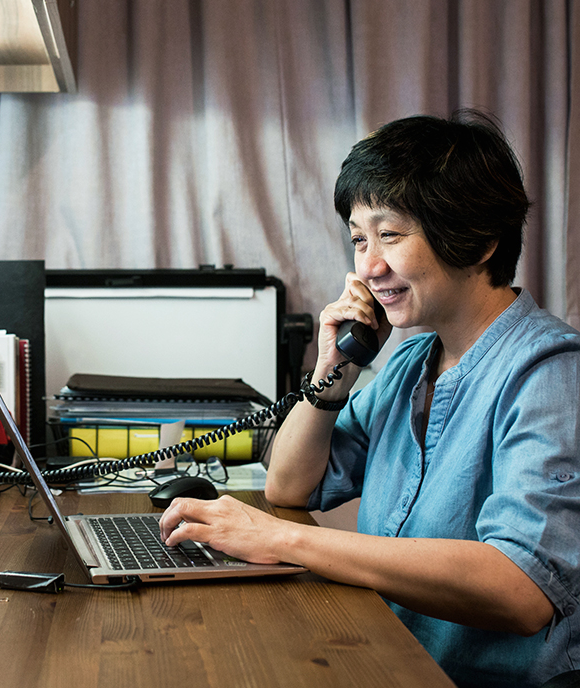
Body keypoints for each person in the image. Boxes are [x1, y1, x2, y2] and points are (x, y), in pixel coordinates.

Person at [159, 111, 580, 688]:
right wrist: (334, 373)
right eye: (359, 239)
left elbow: (521, 588)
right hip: (388, 658)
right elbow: (290, 486)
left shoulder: (551, 374)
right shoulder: (411, 362)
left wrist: (283, 539)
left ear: (480, 239)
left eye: (390, 235)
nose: (369, 266)